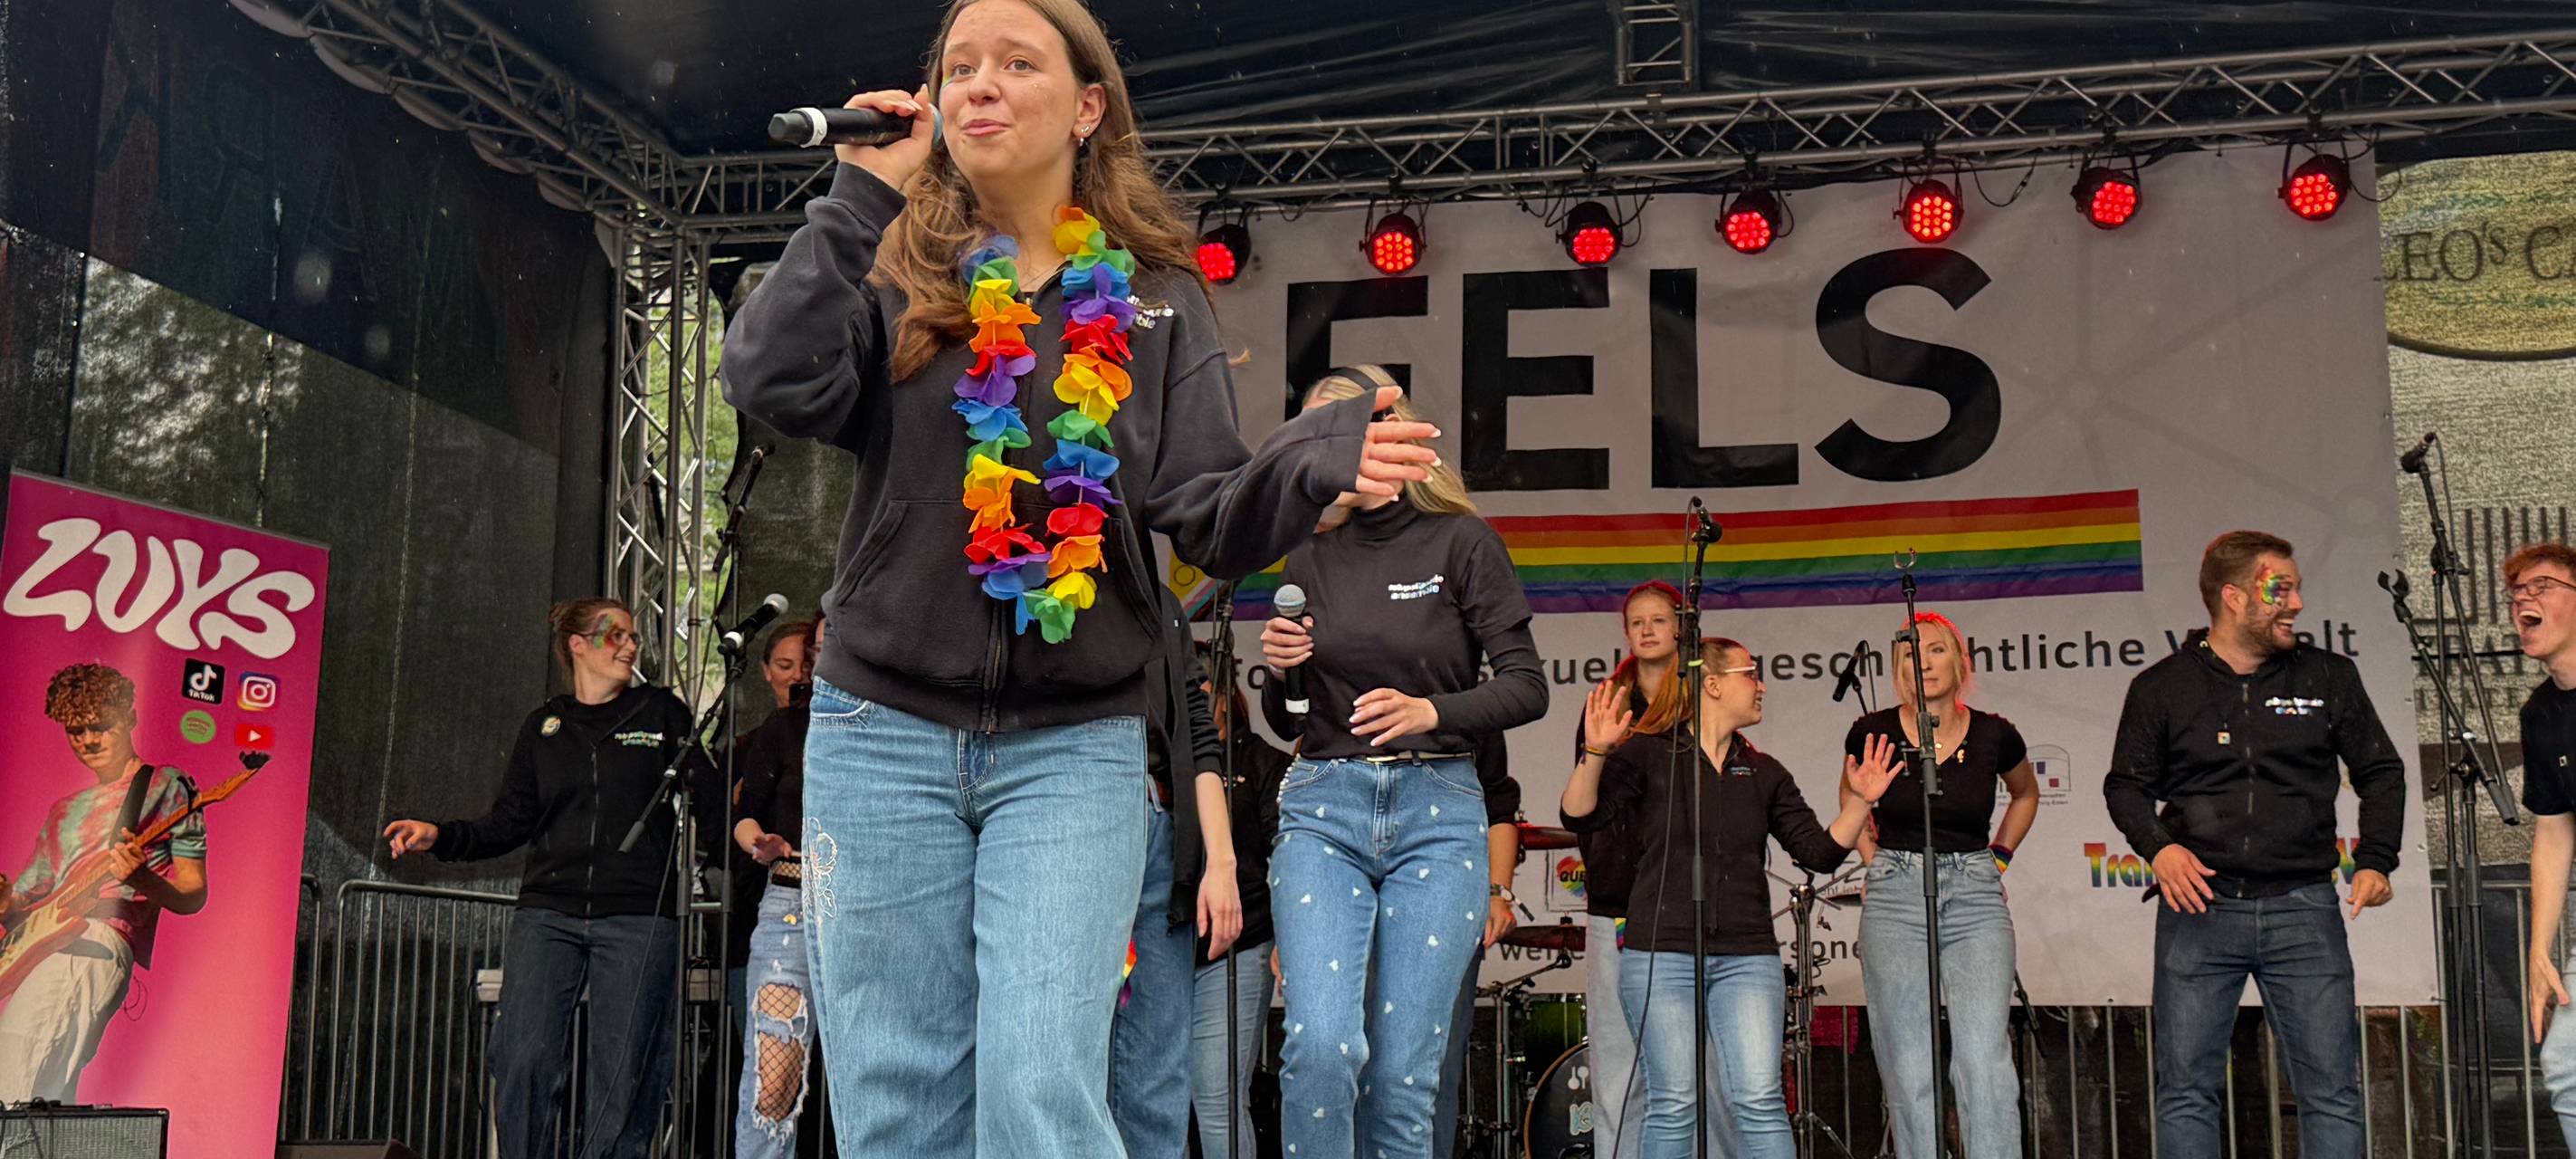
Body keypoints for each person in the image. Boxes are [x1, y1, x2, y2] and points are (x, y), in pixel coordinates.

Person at [716, 0, 1438, 1151]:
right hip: (878, 727)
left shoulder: (1154, 294)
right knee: (896, 1096)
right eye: (959, 66)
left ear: (1087, 106)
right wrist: (858, 196)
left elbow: (1206, 512)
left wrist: (1310, 457)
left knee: (1043, 1087)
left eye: (1016, 62)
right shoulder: (896, 263)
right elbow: (768, 380)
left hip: (1074, 740)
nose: (978, 85)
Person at [1259, 366, 1548, 1158]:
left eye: (1339, 427)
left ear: (1387, 432)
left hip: (1438, 808)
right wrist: (1281, 671)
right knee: (1321, 1047)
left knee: (1404, 1077)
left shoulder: (1462, 541)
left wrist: (1432, 712)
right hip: (1324, 804)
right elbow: (1287, 721)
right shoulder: (1307, 557)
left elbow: (1527, 686)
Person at [2104, 531, 2405, 1159]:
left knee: (2331, 1092)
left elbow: (2381, 771)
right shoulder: (2163, 686)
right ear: (2234, 597)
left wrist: (2376, 859)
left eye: (2295, 589)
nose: (2296, 603)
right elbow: (2125, 785)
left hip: (2304, 906)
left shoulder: (2329, 675)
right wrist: (2159, 848)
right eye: (2280, 590)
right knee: (2185, 1092)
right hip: (2198, 908)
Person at [382, 598, 712, 1159]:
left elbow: (710, 793)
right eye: (615, 634)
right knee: (524, 1056)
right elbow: (508, 823)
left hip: (637, 915)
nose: (630, 645)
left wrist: (751, 836)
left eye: (633, 636)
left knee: (624, 1070)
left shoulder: (661, 713)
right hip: (548, 913)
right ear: (578, 644)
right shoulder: (544, 726)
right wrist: (439, 835)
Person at [1561, 637, 1899, 1159]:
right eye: (1751, 674)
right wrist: (1597, 752)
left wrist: (1859, 803)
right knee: (1673, 1103)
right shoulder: (1649, 754)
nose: (1761, 685)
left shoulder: (1764, 771)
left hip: (1747, 956)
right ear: (1712, 684)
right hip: (1660, 951)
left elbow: (1818, 852)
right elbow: (1580, 815)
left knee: (1760, 1101)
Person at [1838, 610, 2037, 1159]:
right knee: (1908, 1063)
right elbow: (1851, 796)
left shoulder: (1995, 733)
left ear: (1959, 661)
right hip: (1896, 891)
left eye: (1935, 650)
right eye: (1910, 654)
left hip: (1973, 890)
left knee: (1982, 1061)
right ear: (1897, 667)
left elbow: (2026, 794)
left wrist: (1999, 857)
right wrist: (1872, 858)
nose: (1923, 663)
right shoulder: (1872, 731)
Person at [0, 663, 208, 1104]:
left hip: (96, 939)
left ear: (129, 718)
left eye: (100, 727)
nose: (89, 740)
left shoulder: (165, 785)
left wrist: (143, 879)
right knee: (43, 1094)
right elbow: (27, 896)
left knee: (15, 1075)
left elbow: (193, 893)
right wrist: (5, 901)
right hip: (46, 946)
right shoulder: (64, 809)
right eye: (76, 731)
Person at [1107, 611, 1244, 1158]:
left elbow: (1199, 732)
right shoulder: (1030, 572)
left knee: (1157, 1074)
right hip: (1063, 820)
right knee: (1060, 1060)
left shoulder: (1161, 604)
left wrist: (1222, 863)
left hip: (1157, 827)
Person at [1564, 580, 1688, 1159]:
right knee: (1618, 1060)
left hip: (1686, 903)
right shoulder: (1609, 702)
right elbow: (1584, 805)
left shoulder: (1701, 698)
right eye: (1636, 621)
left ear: (1680, 626)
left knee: (1692, 1063)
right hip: (1618, 902)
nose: (1646, 629)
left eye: (1658, 619)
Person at [1187, 642, 1289, 1158]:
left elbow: (1289, 855)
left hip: (1239, 945)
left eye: (1202, 688)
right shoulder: (1159, 758)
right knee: (1153, 1093)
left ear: (1225, 694)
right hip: (1163, 943)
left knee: (1216, 1094)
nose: (1193, 697)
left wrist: (1291, 937)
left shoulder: (1262, 761)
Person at [732, 618, 825, 1158]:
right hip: (792, 898)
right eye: (816, 651)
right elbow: (746, 815)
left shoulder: (888, 727)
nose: (811, 667)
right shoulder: (785, 728)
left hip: (874, 908)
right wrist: (757, 841)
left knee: (890, 1078)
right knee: (773, 1087)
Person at [2511, 542, 2576, 1145]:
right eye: (2517, 592)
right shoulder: (2542, 714)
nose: (2524, 599)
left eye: (2542, 587)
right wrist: (2539, 952)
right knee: (2566, 1066)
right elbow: (2554, 832)